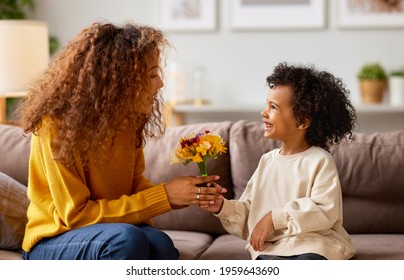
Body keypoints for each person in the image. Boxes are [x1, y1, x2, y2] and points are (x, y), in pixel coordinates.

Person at [16, 21, 225, 260]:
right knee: (127, 239)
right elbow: (75, 216)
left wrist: (181, 194)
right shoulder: (54, 126)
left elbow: (133, 187)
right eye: (152, 75)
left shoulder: (127, 122)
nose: (161, 84)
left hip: (108, 231)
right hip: (54, 238)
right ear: (118, 81)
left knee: (160, 244)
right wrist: (164, 196)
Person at [201, 62, 357, 260]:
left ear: (303, 121)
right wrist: (222, 207)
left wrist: (275, 218)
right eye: (267, 105)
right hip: (270, 250)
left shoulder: (320, 161)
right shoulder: (267, 161)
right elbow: (250, 216)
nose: (263, 112)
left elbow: (324, 211)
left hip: (313, 246)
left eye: (273, 107)